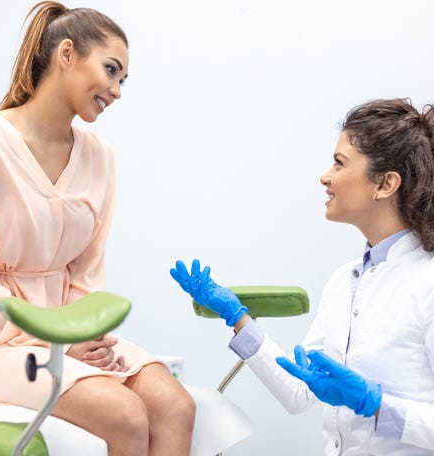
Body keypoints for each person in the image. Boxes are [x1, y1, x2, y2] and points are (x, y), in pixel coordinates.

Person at [0, 2, 195, 455]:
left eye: (123, 80)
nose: (116, 90)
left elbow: (87, 270)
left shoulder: (100, 156)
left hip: (69, 334)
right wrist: (55, 339)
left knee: (176, 406)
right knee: (124, 413)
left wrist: (80, 335)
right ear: (67, 54)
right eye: (111, 70)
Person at [171, 98, 434, 455]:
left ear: (385, 184)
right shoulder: (346, 281)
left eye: (339, 163)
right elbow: (299, 393)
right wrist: (238, 318)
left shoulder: (427, 282)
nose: (325, 176)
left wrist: (376, 406)